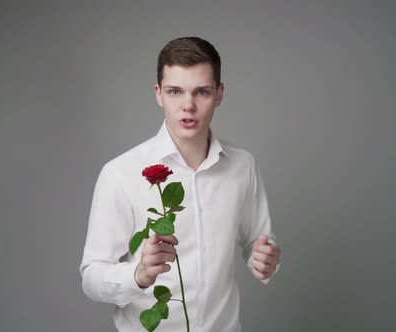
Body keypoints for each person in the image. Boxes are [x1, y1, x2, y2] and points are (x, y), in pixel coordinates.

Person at [80, 36, 281, 331]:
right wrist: (137, 275)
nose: (188, 105)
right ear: (158, 93)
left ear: (219, 94)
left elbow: (258, 244)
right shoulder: (120, 173)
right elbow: (91, 276)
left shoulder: (243, 166)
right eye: (175, 91)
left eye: (201, 92)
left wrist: (265, 260)